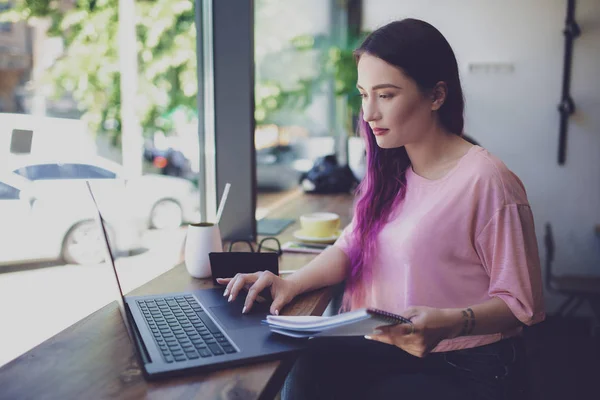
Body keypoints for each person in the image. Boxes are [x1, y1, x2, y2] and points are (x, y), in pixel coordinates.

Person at [217, 18, 544, 399]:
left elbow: (523, 304)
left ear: (437, 95)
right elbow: (350, 245)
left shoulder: (487, 180)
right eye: (363, 94)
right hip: (388, 347)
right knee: (298, 360)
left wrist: (450, 323)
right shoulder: (390, 168)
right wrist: (290, 283)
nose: (369, 112)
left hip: (464, 363)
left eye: (386, 95)